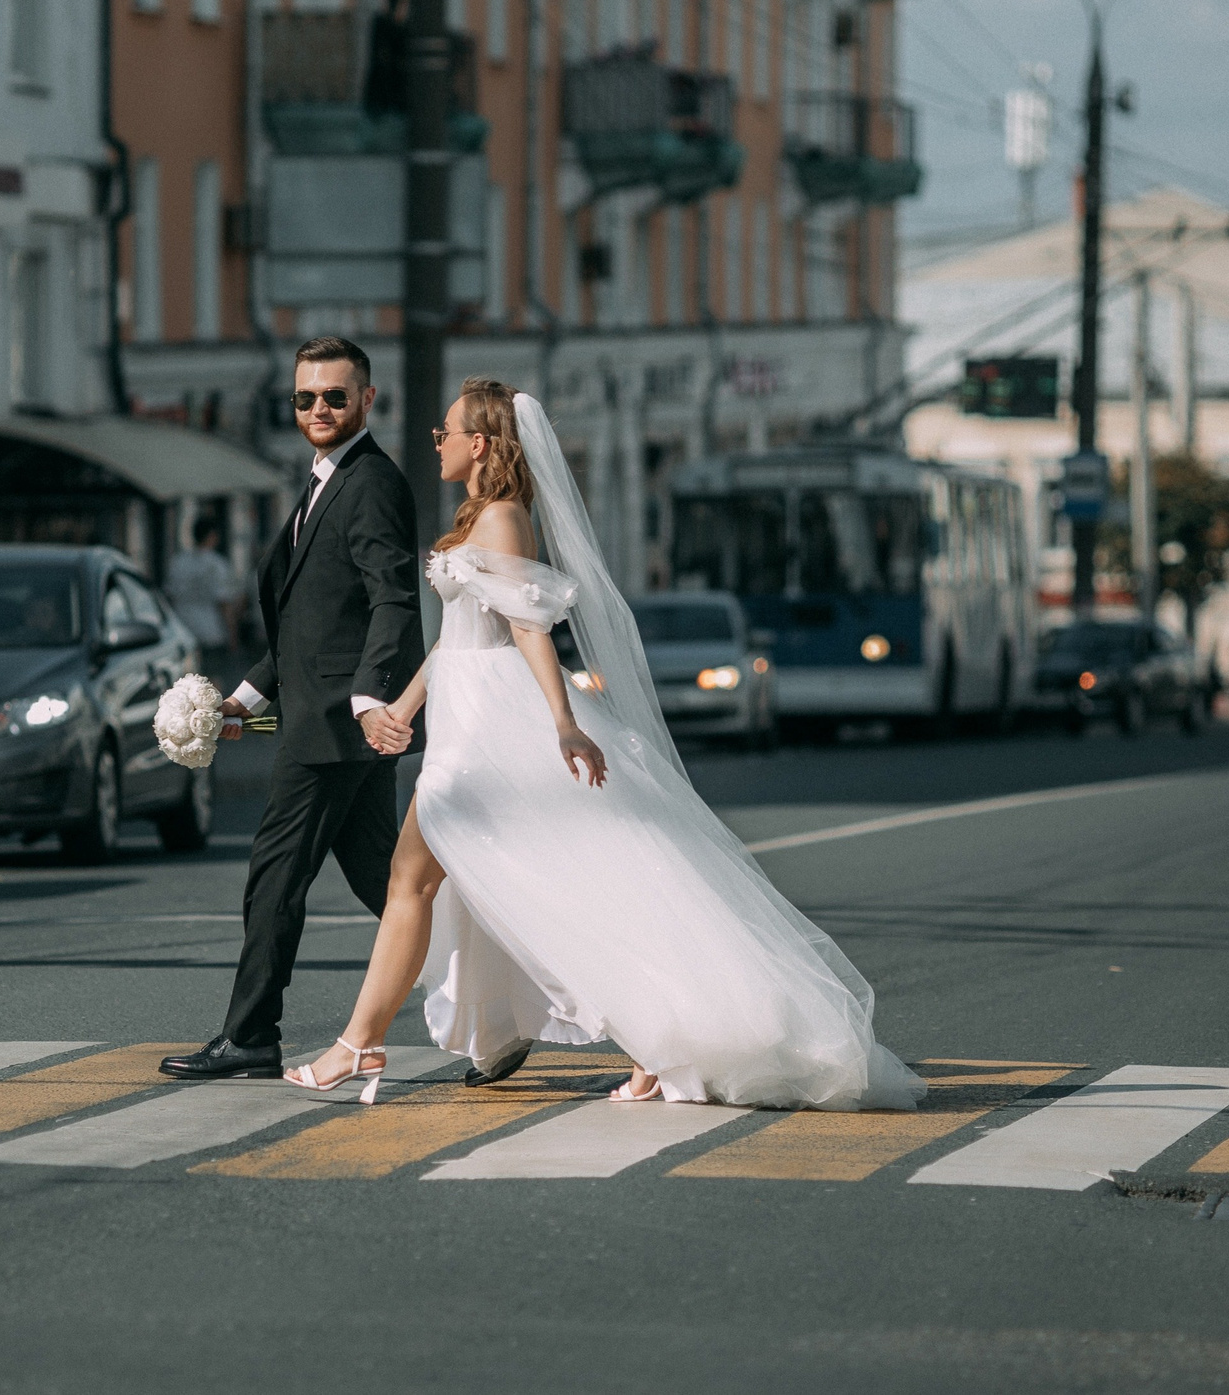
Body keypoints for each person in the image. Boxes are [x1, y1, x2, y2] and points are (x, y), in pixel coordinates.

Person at [285, 378, 926, 1112]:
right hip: (465, 715)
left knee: (426, 881)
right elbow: (461, 635)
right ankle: (645, 1040)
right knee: (456, 882)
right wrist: (400, 705)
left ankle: (358, 1044)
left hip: (494, 725)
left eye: (448, 429)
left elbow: (529, 631)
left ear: (482, 443)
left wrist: (562, 722)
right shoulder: (481, 517)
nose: (438, 440)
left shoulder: (502, 518)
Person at [159, 337, 425, 1082]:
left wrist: (370, 696)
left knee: (274, 878)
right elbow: (307, 621)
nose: (318, 409)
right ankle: (505, 1000)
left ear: (367, 401)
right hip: (329, 724)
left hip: (337, 730)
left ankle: (250, 1035)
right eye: (306, 397)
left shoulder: (369, 482)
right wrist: (238, 702)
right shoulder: (321, 483)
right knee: (391, 883)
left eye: (334, 397)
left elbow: (392, 599)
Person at [163, 517, 244, 675]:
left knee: (186, 679)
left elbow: (169, 599)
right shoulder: (217, 564)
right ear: (212, 536)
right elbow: (224, 603)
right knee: (212, 680)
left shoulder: (178, 562)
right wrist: (233, 635)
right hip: (211, 632)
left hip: (183, 630)